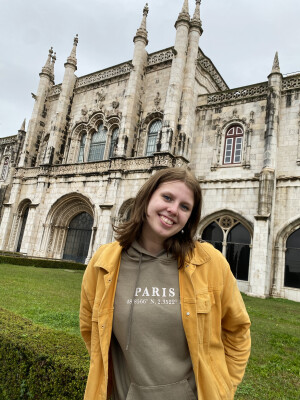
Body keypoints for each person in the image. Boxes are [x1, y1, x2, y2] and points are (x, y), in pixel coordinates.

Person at [80, 167, 251, 400]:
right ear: (147, 197)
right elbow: (90, 330)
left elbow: (238, 330)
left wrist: (223, 388)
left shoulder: (210, 263)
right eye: (167, 197)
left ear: (190, 217)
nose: (173, 210)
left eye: (185, 207)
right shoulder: (103, 262)